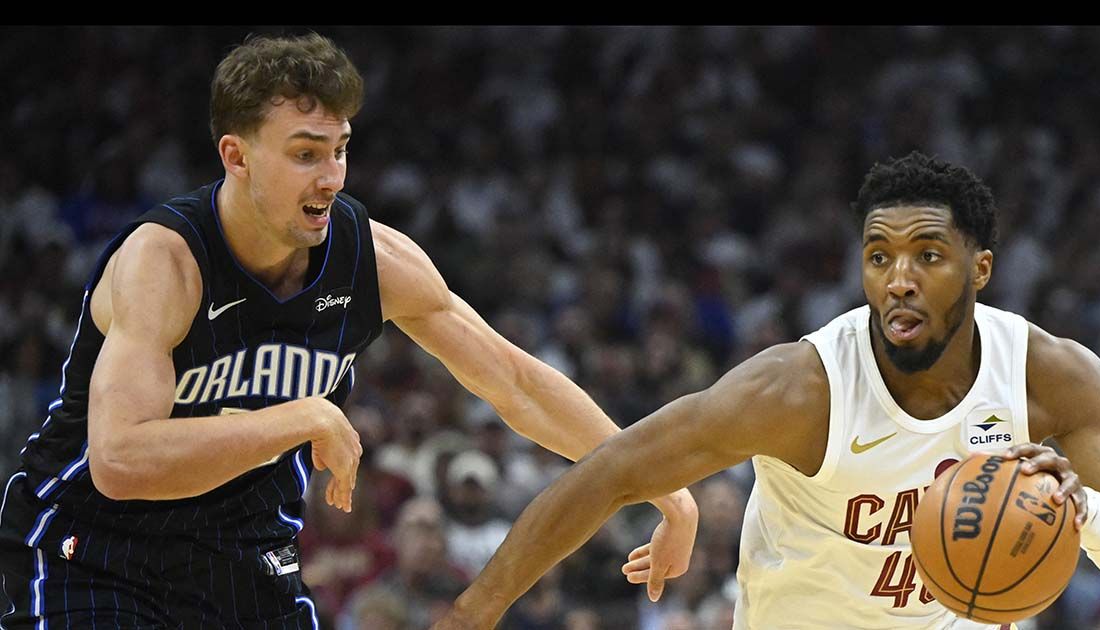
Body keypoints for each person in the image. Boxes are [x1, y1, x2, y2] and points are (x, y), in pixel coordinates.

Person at [0, 33, 697, 629]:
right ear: (237, 156)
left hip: (245, 558)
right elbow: (120, 461)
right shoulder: (166, 262)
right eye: (306, 154)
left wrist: (660, 482)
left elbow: (515, 383)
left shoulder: (374, 260)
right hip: (93, 552)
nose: (332, 177)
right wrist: (298, 417)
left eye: (340, 150)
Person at [434, 151, 1100, 630]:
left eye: (928, 256)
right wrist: (474, 611)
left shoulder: (1050, 376)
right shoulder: (802, 389)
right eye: (879, 256)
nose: (900, 280)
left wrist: (1084, 512)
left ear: (980, 269)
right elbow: (615, 470)